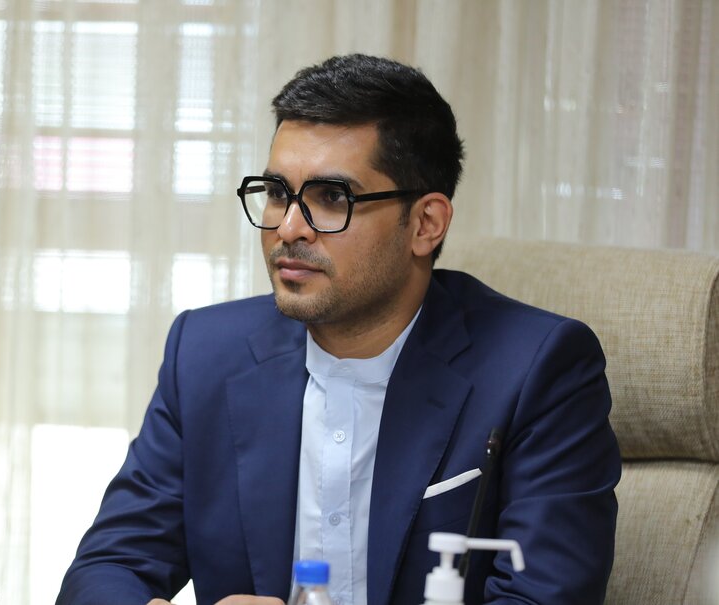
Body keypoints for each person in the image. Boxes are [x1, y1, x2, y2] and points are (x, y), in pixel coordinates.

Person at [56, 54, 620, 605]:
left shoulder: (537, 369)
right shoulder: (205, 354)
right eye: (278, 193)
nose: (288, 228)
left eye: (332, 198)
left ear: (425, 224)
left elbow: (542, 595)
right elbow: (109, 567)